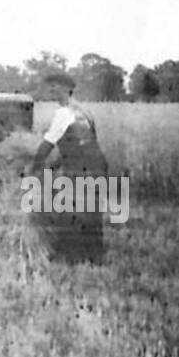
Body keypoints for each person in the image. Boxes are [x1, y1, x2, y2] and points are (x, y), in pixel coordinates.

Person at [28, 72, 110, 264]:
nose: (51, 90)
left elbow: (47, 145)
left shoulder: (63, 113)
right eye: (50, 86)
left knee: (69, 208)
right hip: (96, 162)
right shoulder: (84, 111)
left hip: (80, 166)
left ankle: (69, 255)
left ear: (66, 88)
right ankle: (94, 254)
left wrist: (34, 168)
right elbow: (85, 142)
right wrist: (55, 165)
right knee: (92, 209)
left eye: (54, 86)